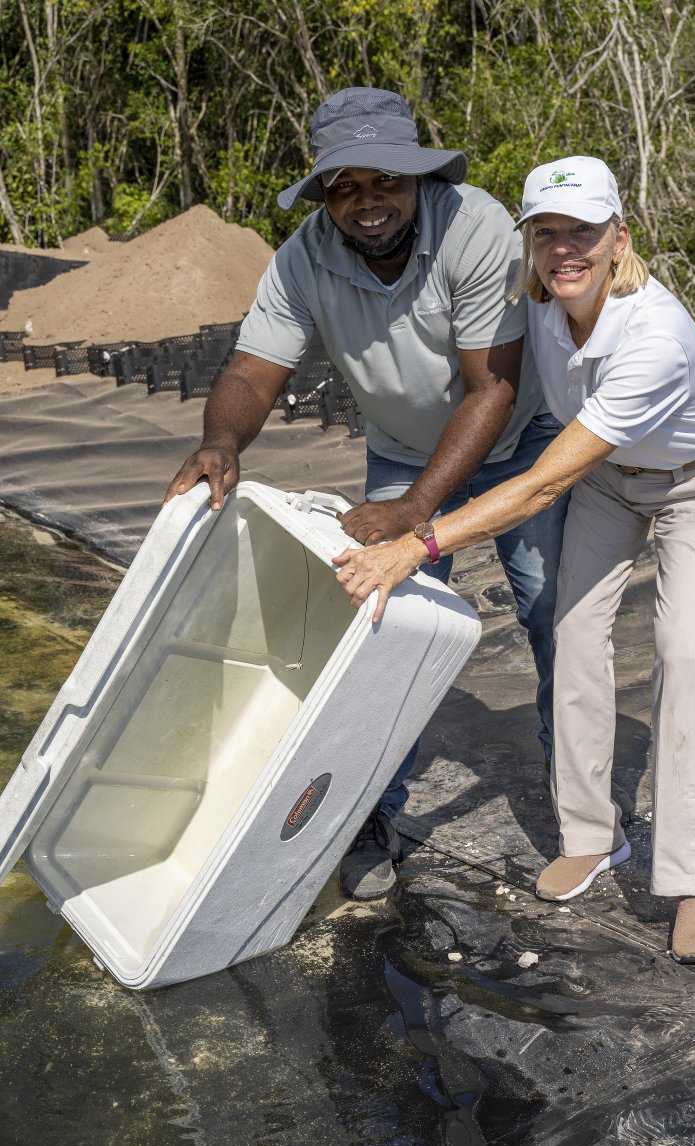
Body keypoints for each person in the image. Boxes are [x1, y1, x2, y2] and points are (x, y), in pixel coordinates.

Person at [333, 155, 695, 963]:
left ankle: (693, 879)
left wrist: (417, 544)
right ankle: (593, 835)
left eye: (583, 232)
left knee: (679, 650)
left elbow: (541, 485)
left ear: (618, 238)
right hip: (611, 479)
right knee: (570, 636)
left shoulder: (655, 337)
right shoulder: (536, 299)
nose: (564, 249)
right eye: (546, 233)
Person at [164, 88, 569, 902]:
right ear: (324, 194)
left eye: (385, 180)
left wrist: (418, 513)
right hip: (402, 451)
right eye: (344, 186)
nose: (367, 201)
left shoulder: (476, 227)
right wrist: (221, 442)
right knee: (379, 626)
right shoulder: (304, 257)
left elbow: (492, 387)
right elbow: (252, 370)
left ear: (418, 178)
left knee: (554, 614)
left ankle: (580, 806)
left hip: (520, 442)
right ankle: (371, 813)